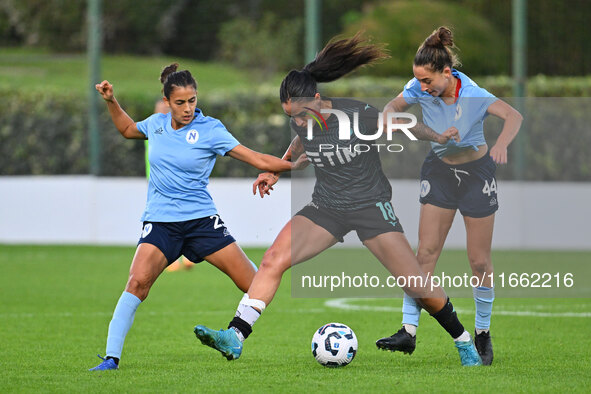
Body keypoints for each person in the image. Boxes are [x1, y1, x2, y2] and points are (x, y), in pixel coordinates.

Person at [193, 34, 483, 367]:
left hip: (371, 207)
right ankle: (235, 335)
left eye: (302, 114)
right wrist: (277, 170)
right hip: (327, 208)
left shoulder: (357, 116)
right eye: (292, 117)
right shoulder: (303, 120)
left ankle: (463, 342)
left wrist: (440, 136)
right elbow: (299, 141)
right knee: (274, 258)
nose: (298, 122)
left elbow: (406, 124)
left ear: (317, 99)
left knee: (414, 281)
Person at [89, 63, 293, 371]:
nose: (187, 108)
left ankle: (234, 335)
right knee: (137, 283)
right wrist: (111, 101)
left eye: (192, 100)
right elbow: (128, 129)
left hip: (201, 223)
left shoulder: (211, 130)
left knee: (256, 281)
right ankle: (110, 359)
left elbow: (256, 158)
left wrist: (295, 166)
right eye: (180, 102)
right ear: (167, 102)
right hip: (160, 223)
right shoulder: (156, 125)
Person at [375, 27, 523, 366]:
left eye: (428, 81)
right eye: (419, 82)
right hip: (440, 172)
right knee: (423, 254)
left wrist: (501, 144)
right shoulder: (419, 87)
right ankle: (408, 331)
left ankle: (482, 333)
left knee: (479, 261)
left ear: (447, 73)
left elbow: (514, 116)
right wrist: (387, 120)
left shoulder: (473, 94)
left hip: (476, 175)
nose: (422, 88)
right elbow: (394, 105)